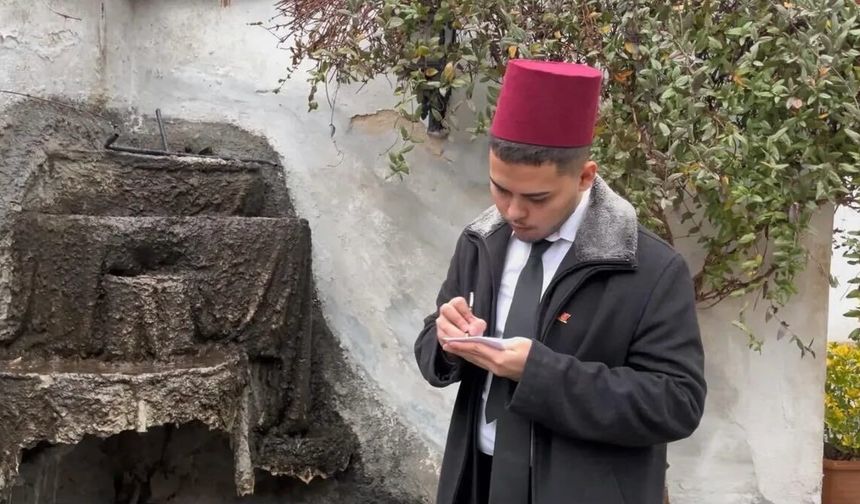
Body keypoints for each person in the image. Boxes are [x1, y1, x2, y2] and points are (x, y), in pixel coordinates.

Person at [413, 59, 707, 504]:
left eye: (537, 197)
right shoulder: (480, 240)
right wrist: (445, 337)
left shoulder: (650, 267)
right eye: (500, 188)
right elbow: (430, 351)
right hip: (478, 479)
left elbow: (676, 403)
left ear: (585, 176)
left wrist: (539, 372)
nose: (513, 212)